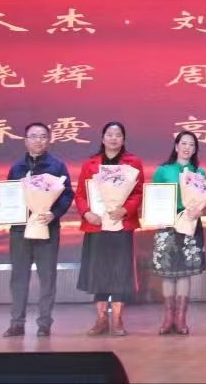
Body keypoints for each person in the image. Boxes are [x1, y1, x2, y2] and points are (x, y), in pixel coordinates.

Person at [0, 122, 73, 338]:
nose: (38, 140)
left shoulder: (57, 166)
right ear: (25, 140)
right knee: (19, 277)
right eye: (33, 136)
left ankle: (44, 324)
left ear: (49, 140)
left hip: (47, 228)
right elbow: (9, 194)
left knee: (47, 277)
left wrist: (54, 214)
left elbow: (67, 194)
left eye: (43, 136)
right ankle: (16, 323)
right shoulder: (17, 167)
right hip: (20, 230)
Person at [74, 121, 144, 336]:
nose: (114, 138)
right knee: (99, 272)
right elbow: (80, 194)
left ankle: (118, 319)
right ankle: (101, 319)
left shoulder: (133, 163)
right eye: (109, 134)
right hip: (97, 226)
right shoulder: (90, 164)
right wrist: (87, 213)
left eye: (118, 134)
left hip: (122, 225)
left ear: (123, 139)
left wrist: (125, 209)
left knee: (120, 272)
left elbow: (138, 192)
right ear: (102, 138)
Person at [151, 131, 206, 335]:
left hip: (190, 224)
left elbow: (205, 199)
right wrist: (157, 215)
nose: (187, 148)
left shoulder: (199, 172)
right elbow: (153, 197)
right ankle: (168, 318)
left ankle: (181, 319)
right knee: (167, 273)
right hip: (167, 223)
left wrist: (199, 210)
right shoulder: (163, 170)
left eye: (191, 145)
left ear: (195, 150)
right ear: (176, 146)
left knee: (184, 273)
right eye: (183, 143)